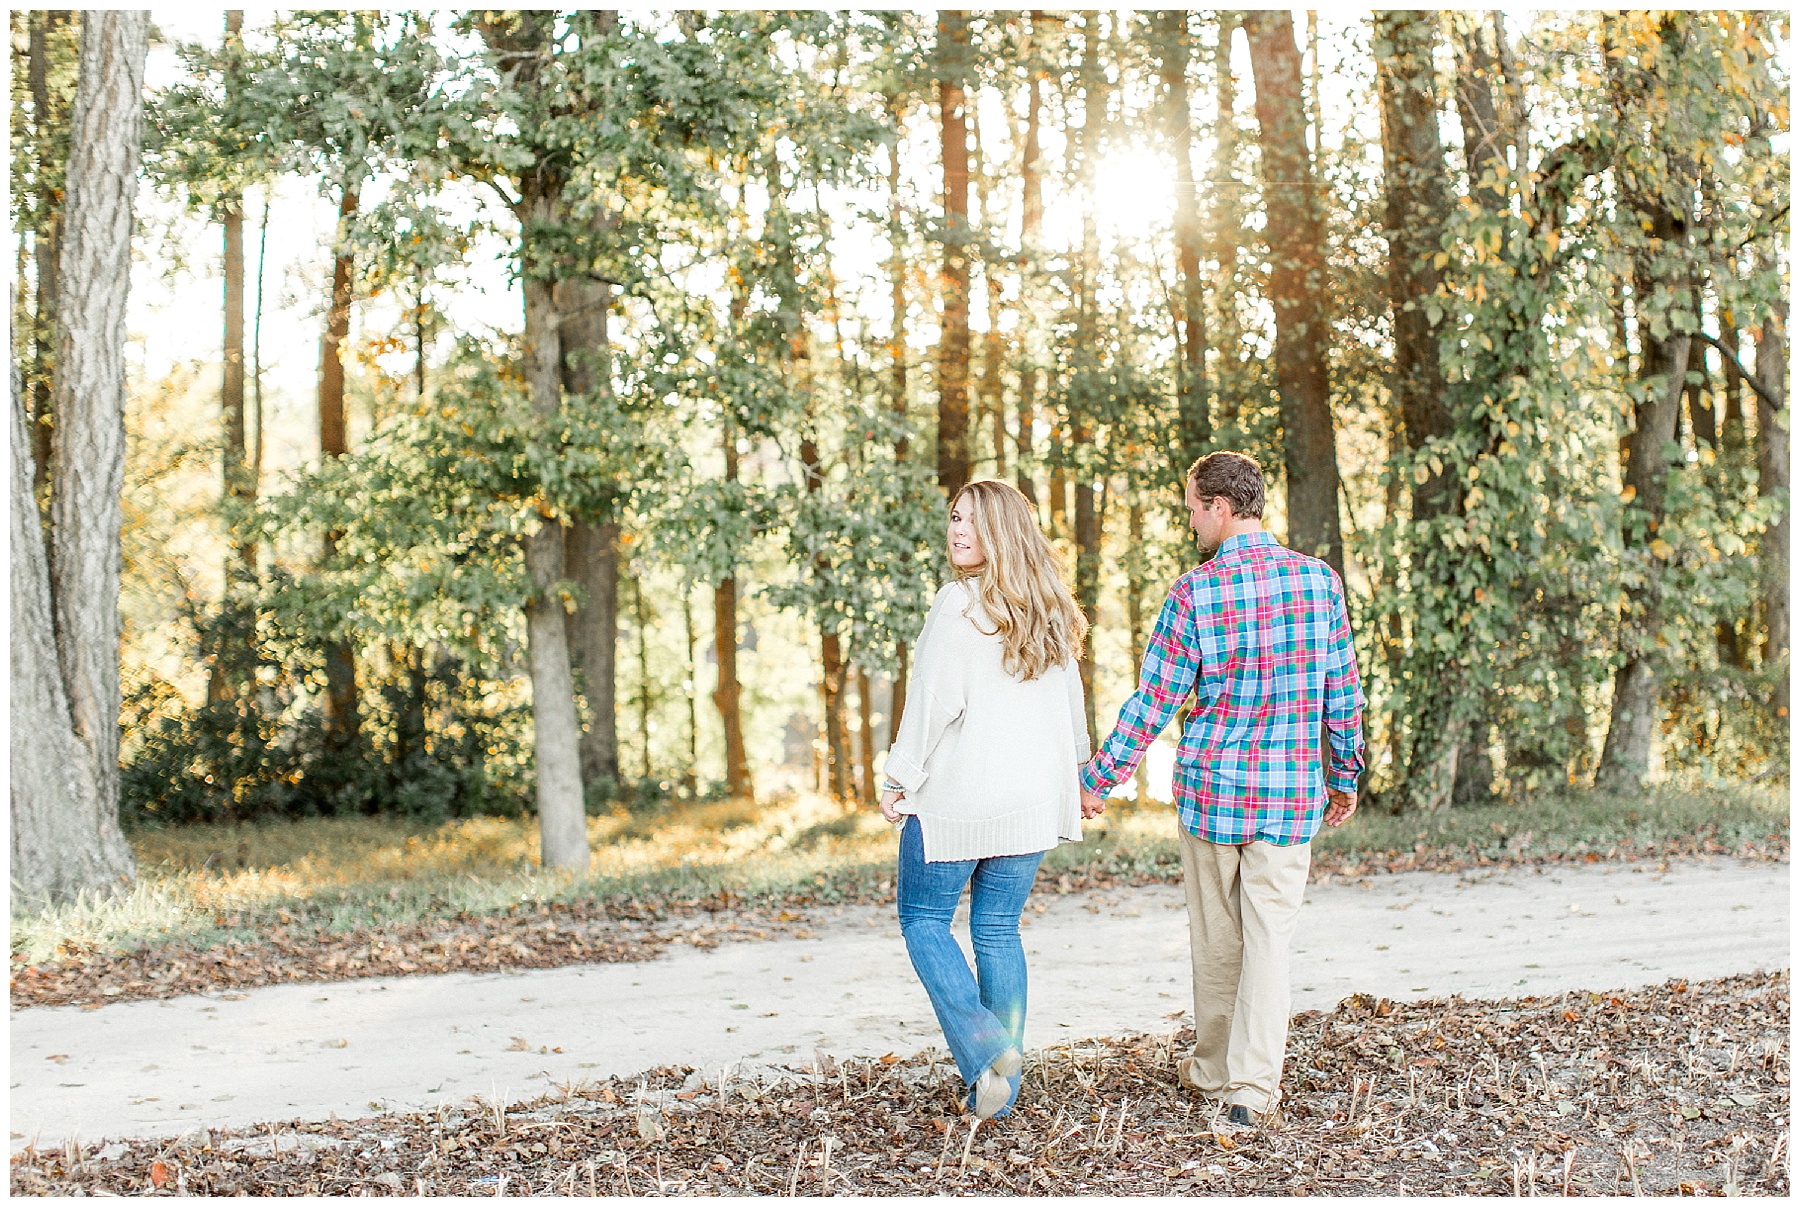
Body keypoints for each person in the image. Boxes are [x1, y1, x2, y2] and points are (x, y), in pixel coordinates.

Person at [1080, 451, 1365, 1129]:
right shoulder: (1319, 582)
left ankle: (1212, 1069)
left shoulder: (1194, 593)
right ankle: (1250, 1089)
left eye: (1191, 508)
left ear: (1219, 506)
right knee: (1268, 940)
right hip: (1290, 793)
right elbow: (1343, 694)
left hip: (1213, 794)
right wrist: (1345, 772)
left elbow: (1154, 701)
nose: (1190, 522)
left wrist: (1100, 777)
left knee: (1216, 938)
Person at [878, 478, 1101, 1120]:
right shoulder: (1050, 608)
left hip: (959, 799)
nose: (957, 530)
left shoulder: (958, 604)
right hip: (1029, 802)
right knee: (999, 931)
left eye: (972, 521)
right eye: (953, 516)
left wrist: (900, 776)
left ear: (1002, 532)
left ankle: (985, 1051)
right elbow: (1071, 708)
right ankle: (1000, 1092)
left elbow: (931, 703)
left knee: (923, 922)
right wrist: (1080, 774)